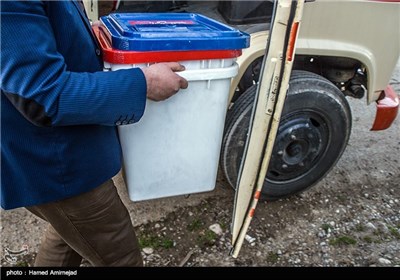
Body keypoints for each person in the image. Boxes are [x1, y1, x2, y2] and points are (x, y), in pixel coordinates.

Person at [1, 0, 188, 267]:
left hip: (65, 158)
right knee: (122, 259)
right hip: (57, 165)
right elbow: (43, 96)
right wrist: (143, 83)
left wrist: (86, 33)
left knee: (68, 235)